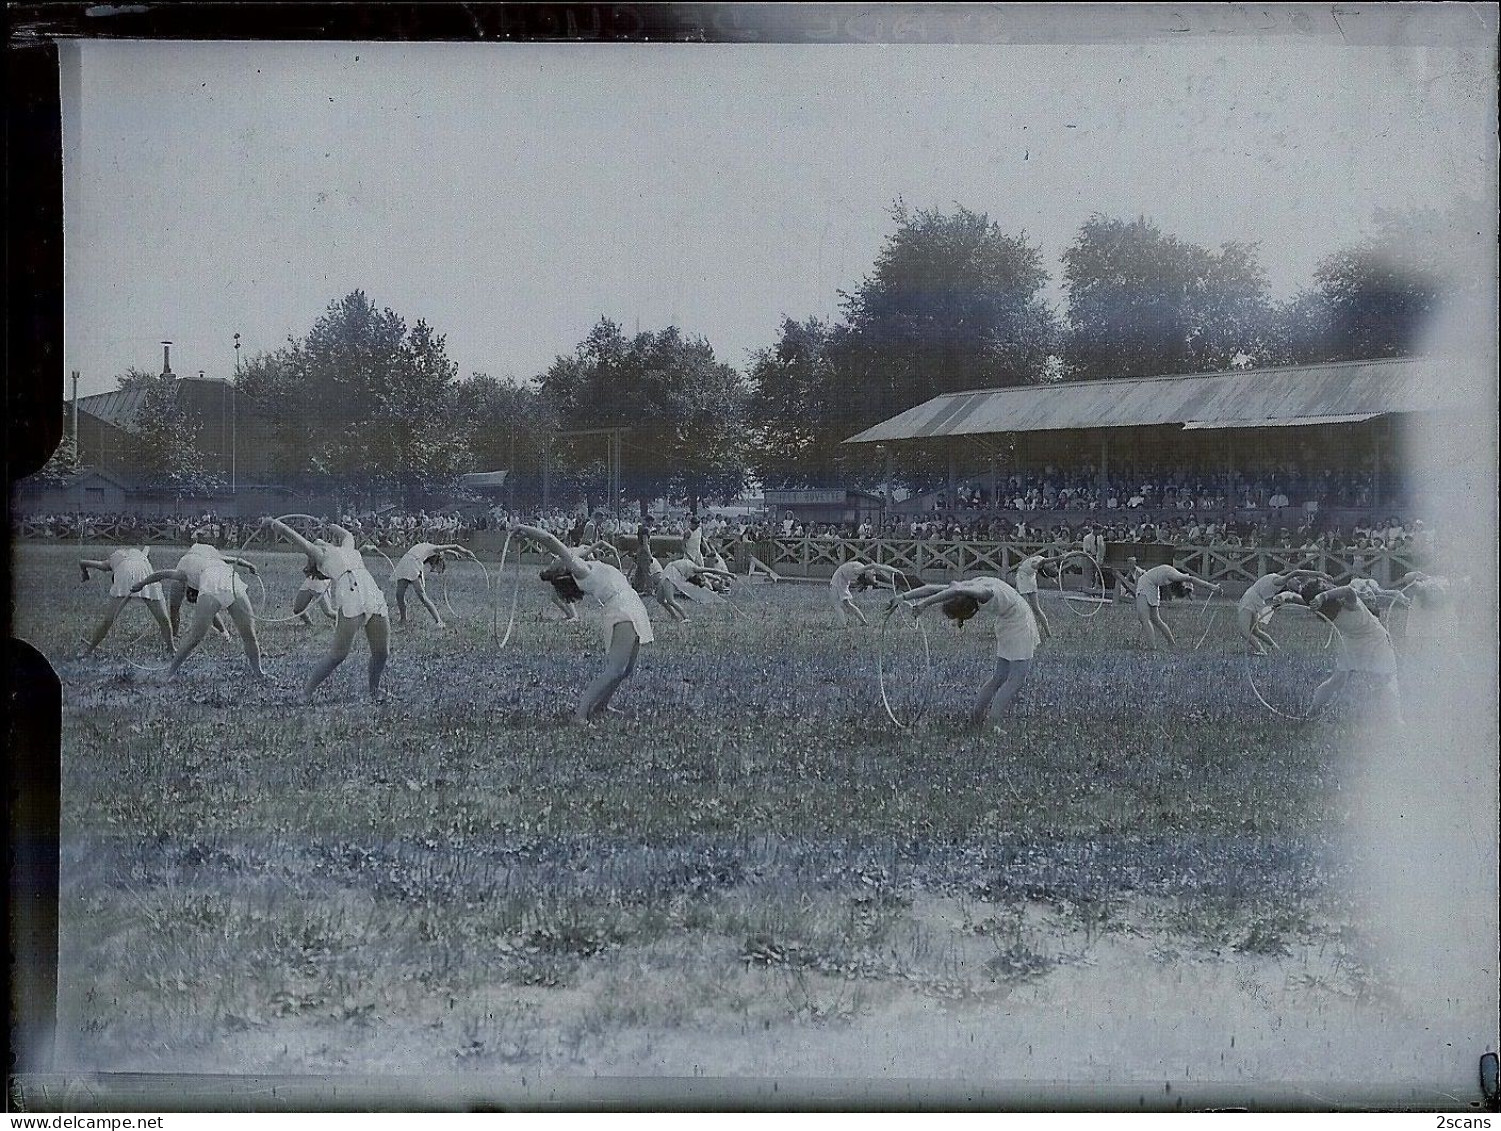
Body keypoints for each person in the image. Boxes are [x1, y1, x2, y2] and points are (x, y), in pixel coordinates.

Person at [512, 522, 654, 724]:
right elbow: (550, 540)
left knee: (626, 669)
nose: (557, 560)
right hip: (623, 609)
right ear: (565, 571)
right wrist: (524, 528)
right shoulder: (580, 570)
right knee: (615, 669)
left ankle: (601, 706)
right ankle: (580, 715)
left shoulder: (582, 563)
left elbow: (577, 547)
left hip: (631, 603)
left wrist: (525, 534)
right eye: (556, 563)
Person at [268, 518, 390, 703]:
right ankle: (305, 694)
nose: (320, 541)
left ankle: (374, 691)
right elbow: (297, 538)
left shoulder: (348, 548)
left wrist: (331, 526)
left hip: (371, 591)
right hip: (350, 593)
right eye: (318, 542)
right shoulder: (321, 555)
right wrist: (276, 525)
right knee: (338, 655)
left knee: (382, 652)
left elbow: (347, 535)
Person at [895, 575, 1040, 729]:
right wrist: (902, 597)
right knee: (1014, 679)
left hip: (1014, 622)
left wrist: (924, 604)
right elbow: (932, 588)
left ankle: (978, 721)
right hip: (1015, 623)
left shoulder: (980, 592)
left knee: (1001, 677)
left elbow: (952, 589)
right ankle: (990, 725)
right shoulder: (968, 590)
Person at [1276, 579, 1409, 724]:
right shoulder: (1334, 605)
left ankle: (1393, 719)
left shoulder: (1339, 603)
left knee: (1378, 679)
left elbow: (1347, 590)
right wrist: (1284, 597)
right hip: (1362, 641)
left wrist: (1318, 597)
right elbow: (1298, 599)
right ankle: (1311, 713)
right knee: (1380, 679)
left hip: (1365, 640)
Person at [130, 544, 269, 682]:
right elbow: (235, 559)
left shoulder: (209, 557)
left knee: (248, 633)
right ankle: (168, 674)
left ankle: (258, 672)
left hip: (230, 579)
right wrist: (249, 565)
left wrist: (142, 583)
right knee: (196, 637)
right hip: (216, 581)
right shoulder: (188, 564)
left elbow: (161, 574)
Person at [78, 547, 174, 657]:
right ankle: (171, 649)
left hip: (126, 574)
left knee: (108, 621)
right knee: (164, 619)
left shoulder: (110, 562)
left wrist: (85, 573)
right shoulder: (136, 555)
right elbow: (147, 548)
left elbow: (82, 562)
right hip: (145, 572)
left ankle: (88, 652)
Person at [1236, 567, 1329, 656]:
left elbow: (1280, 597)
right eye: (1297, 582)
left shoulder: (1280, 586)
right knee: (1250, 631)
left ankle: (1267, 650)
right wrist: (1320, 574)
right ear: (1292, 579)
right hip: (1251, 598)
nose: (1297, 583)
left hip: (1255, 599)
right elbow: (1297, 572)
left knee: (1250, 631)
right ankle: (1265, 650)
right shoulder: (1280, 580)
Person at [1133, 562, 1220, 650]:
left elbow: (1190, 579)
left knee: (1145, 619)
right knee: (1153, 619)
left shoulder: (1174, 575)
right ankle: (1168, 644)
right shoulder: (1174, 575)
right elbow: (1191, 579)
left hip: (1150, 586)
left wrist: (1210, 586)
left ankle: (1153, 647)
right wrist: (1210, 586)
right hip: (1147, 585)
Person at [388, 541, 475, 627]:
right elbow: (454, 546)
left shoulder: (430, 547)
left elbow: (445, 549)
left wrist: (454, 553)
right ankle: (403, 619)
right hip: (406, 562)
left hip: (412, 564)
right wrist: (466, 551)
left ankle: (439, 621)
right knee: (399, 595)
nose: (432, 564)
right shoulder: (432, 548)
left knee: (422, 596)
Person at [654, 556, 736, 623]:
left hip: (670, 574)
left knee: (670, 600)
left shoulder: (692, 574)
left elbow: (709, 573)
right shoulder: (696, 569)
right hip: (670, 570)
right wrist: (730, 574)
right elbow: (713, 570)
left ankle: (686, 617)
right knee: (660, 599)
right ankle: (674, 616)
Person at [1012, 550, 1070, 640]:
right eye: (1053, 565)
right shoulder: (1041, 560)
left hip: (1027, 578)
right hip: (1022, 577)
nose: (1053, 563)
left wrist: (1058, 558)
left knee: (1036, 608)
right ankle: (1018, 630)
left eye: (1053, 565)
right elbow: (1045, 560)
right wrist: (1063, 556)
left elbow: (1042, 562)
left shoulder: (1038, 564)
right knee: (1018, 606)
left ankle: (1048, 634)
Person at [829, 560, 907, 627]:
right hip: (839, 578)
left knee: (837, 604)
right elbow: (875, 565)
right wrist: (894, 570)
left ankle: (845, 625)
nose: (873, 575)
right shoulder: (861, 569)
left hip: (842, 580)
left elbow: (877, 568)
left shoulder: (861, 573)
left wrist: (895, 571)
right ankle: (860, 622)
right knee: (844, 604)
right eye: (873, 575)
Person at [292, 561, 338, 626]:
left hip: (321, 583)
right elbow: (311, 557)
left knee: (328, 612)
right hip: (310, 580)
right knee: (298, 609)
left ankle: (346, 621)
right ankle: (309, 625)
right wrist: (308, 567)